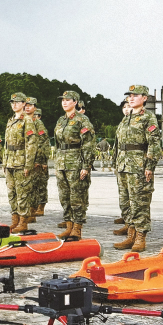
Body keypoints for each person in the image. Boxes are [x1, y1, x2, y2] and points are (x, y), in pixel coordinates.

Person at [113, 85, 162, 252]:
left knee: (139, 202)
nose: (131, 98)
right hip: (123, 166)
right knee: (125, 202)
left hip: (139, 166)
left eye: (135, 95)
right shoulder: (126, 118)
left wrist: (150, 166)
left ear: (144, 98)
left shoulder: (148, 117)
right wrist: (115, 163)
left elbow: (154, 144)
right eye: (130, 96)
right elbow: (118, 143)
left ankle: (140, 237)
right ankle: (131, 235)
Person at [54, 90, 96, 239]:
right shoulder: (61, 120)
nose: (64, 102)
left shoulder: (82, 120)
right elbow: (57, 143)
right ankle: (69, 226)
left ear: (75, 102)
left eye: (68, 100)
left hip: (76, 162)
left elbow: (89, 144)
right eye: (63, 100)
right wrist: (57, 162)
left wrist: (86, 166)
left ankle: (77, 228)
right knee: (64, 196)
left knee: (77, 197)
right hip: (61, 163)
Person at [3, 92, 37, 233]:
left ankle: (23, 221)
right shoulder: (11, 121)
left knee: (22, 192)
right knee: (12, 193)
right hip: (10, 162)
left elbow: (31, 144)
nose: (14, 104)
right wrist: (4, 162)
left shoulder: (27, 121)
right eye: (12, 102)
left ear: (24, 104)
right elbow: (6, 144)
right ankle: (15, 220)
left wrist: (28, 164)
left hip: (21, 163)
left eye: (17, 102)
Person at [24, 97, 49, 221]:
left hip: (35, 161)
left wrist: (40, 160)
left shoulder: (37, 123)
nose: (27, 107)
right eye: (25, 105)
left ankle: (33, 212)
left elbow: (43, 142)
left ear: (35, 107)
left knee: (36, 186)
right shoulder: (22, 121)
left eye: (30, 105)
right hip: (24, 159)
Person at [113, 97, 133, 230]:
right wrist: (115, 162)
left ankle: (133, 226)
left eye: (128, 106)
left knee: (134, 196)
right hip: (122, 163)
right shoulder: (122, 123)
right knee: (123, 195)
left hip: (134, 164)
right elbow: (117, 144)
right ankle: (127, 221)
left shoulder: (142, 120)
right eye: (124, 107)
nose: (126, 109)